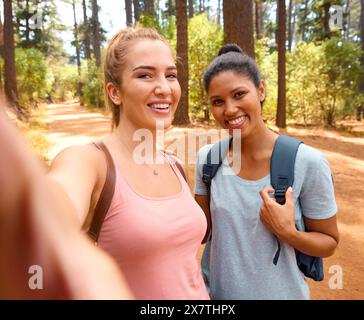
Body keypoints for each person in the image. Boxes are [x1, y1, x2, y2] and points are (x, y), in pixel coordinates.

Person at [0, 27, 209, 300]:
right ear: (114, 92)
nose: (164, 88)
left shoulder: (175, 164)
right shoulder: (88, 161)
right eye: (145, 75)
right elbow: (48, 214)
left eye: (170, 75)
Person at [194, 44, 339, 300]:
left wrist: (288, 232)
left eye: (239, 94)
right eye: (218, 101)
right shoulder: (208, 160)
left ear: (260, 90)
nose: (229, 110)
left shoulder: (308, 162)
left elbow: (328, 242)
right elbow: (202, 234)